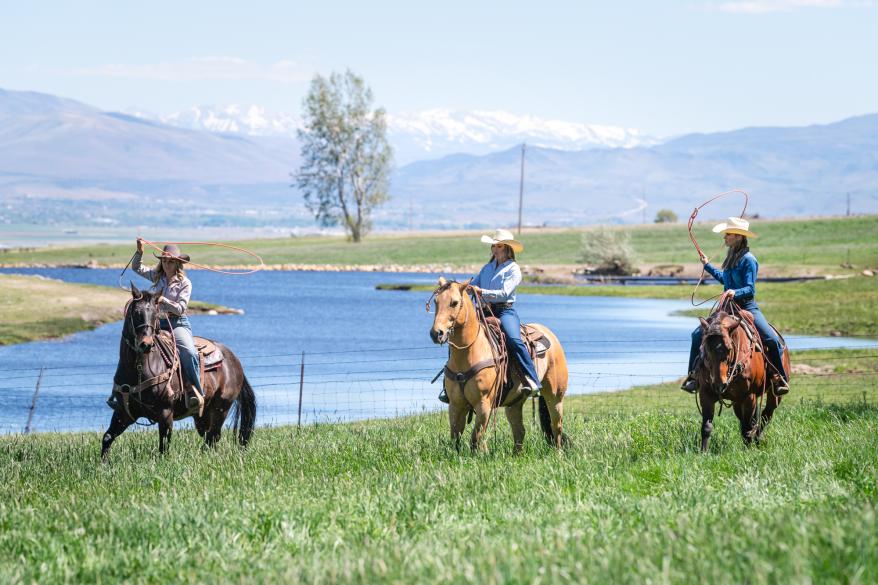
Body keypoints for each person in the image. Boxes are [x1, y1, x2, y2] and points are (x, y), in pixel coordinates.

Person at [681, 217, 789, 395]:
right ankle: (693, 376)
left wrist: (734, 292)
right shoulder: (731, 256)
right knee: (696, 335)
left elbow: (750, 289)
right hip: (726, 309)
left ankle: (779, 378)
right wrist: (707, 266)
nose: (725, 237)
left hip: (747, 307)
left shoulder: (749, 260)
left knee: (772, 339)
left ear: (738, 237)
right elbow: (725, 279)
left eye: (728, 234)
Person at [438, 228, 541, 403]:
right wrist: (459, 288)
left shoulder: (513, 269)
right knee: (456, 338)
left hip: (504, 311)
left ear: (508, 248)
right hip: (483, 312)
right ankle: (449, 386)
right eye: (493, 245)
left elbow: (504, 292)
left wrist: (481, 291)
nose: (495, 249)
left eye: (498, 245)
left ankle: (532, 380)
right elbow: (474, 284)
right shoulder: (487, 267)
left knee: (514, 340)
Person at [108, 239, 205, 414]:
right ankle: (118, 392)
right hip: (156, 324)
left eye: (171, 261)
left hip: (177, 324)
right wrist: (139, 252)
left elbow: (180, 308)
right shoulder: (157, 276)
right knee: (129, 345)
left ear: (178, 264)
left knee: (189, 352)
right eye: (165, 261)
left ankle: (196, 392)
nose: (167, 264)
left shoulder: (185, 283)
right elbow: (137, 268)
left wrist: (163, 300)